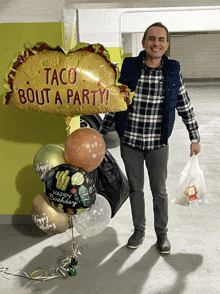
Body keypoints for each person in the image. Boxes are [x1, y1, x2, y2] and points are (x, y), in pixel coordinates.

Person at [99, 22, 201, 254]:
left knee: (159, 191)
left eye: (162, 39)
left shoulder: (173, 70)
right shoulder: (130, 68)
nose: (157, 43)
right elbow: (116, 103)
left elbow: (184, 105)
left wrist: (194, 137)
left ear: (167, 45)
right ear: (144, 43)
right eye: (152, 39)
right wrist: (101, 133)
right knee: (136, 188)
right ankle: (139, 230)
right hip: (131, 142)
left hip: (158, 144)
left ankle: (162, 234)